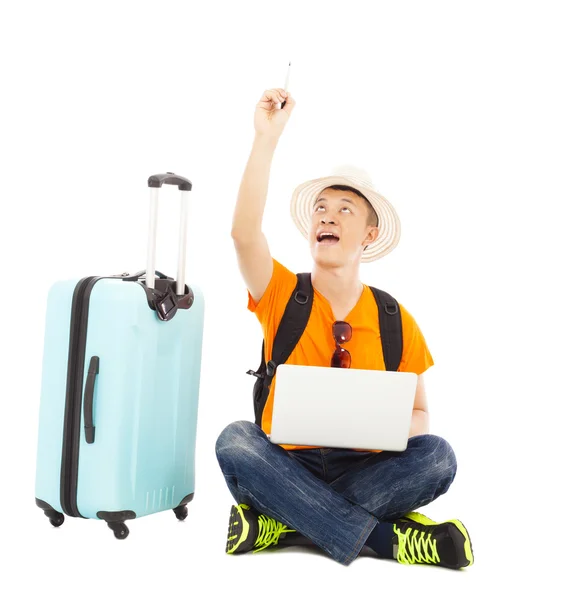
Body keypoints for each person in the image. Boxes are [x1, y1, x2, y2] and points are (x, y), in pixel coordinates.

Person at [215, 87, 473, 569]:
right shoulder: (281, 293)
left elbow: (420, 416)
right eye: (321, 208)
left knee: (438, 456)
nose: (327, 216)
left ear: (369, 235)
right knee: (235, 440)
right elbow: (243, 234)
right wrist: (265, 139)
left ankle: (283, 520)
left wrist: (372, 424)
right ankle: (384, 540)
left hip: (366, 466)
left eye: (345, 210)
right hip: (285, 461)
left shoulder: (396, 320)